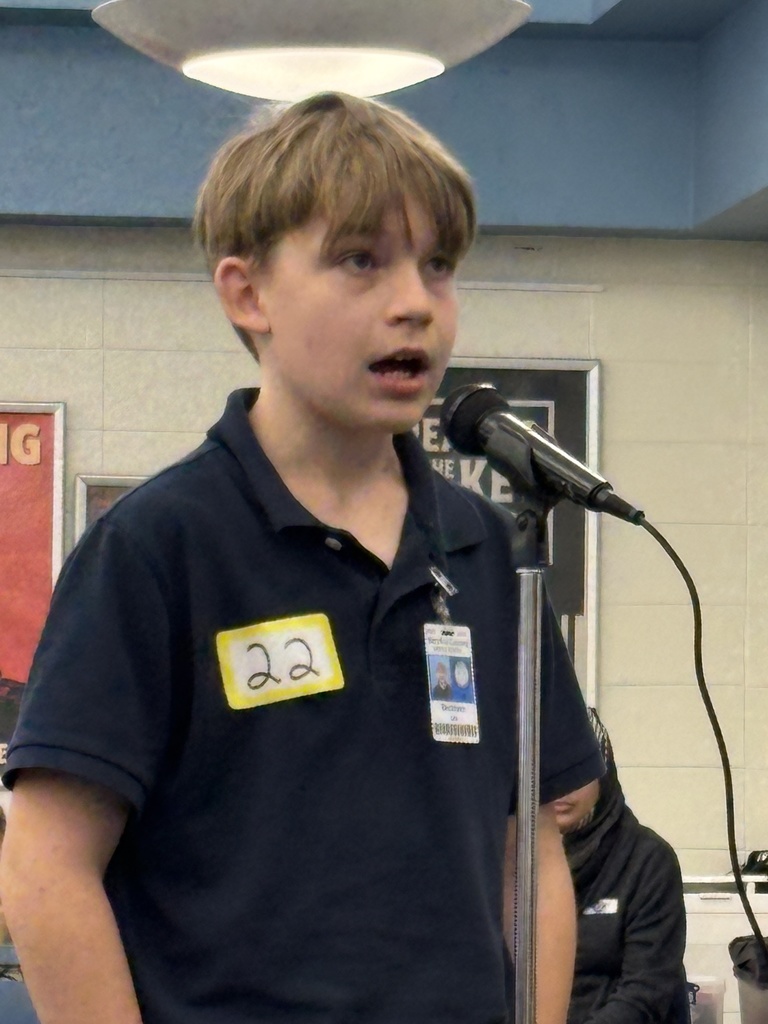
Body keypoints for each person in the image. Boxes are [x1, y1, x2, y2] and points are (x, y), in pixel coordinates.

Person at [0, 92, 603, 1024]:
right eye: (360, 261)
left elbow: (530, 853)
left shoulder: (485, 548)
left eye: (437, 266)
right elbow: (47, 863)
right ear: (248, 293)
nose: (413, 304)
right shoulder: (160, 548)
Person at [554, 710, 689, 1024]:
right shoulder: (513, 863)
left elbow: (645, 992)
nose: (561, 789)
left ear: (603, 776)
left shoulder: (648, 861)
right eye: (547, 774)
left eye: (576, 772)